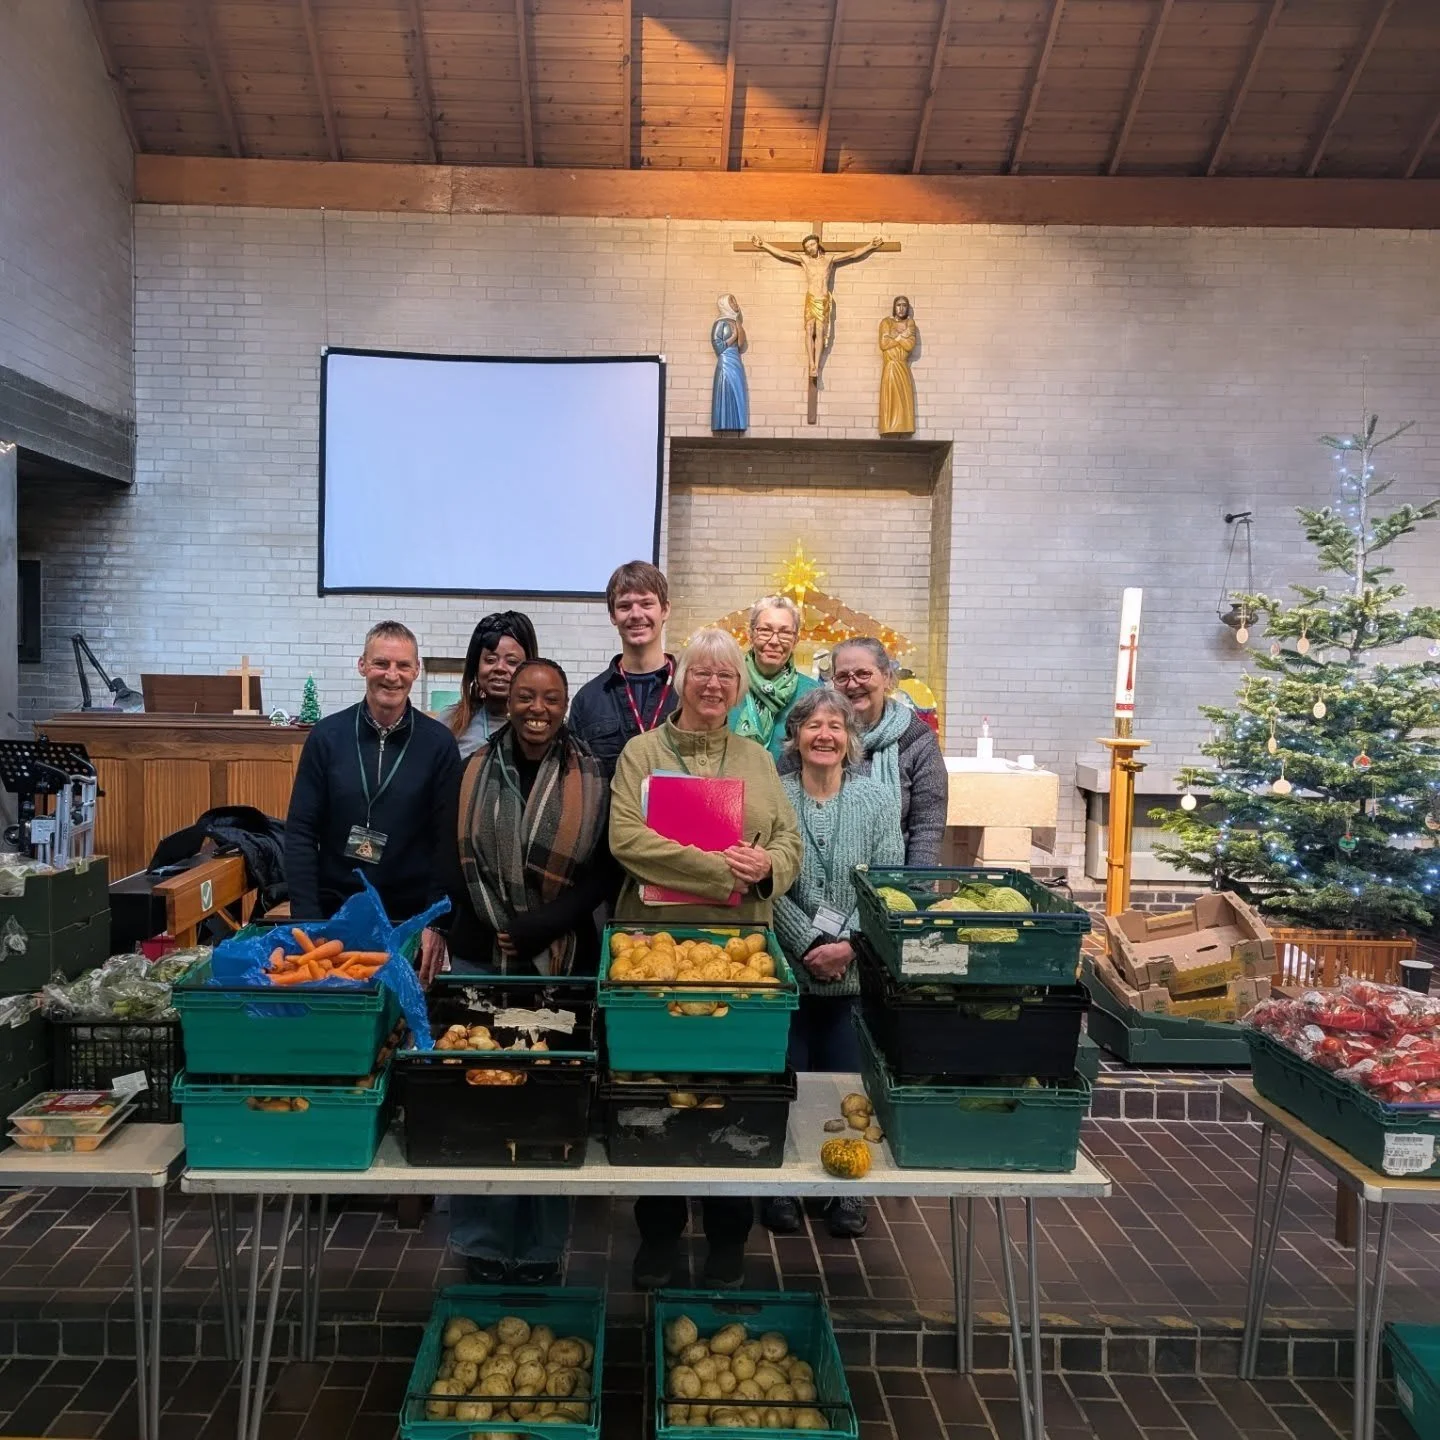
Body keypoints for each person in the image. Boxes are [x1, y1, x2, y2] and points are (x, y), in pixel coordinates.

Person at [609, 627, 803, 1290]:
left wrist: (765, 866)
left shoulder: (757, 758)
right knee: (658, 1087)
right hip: (653, 948)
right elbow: (627, 841)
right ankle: (658, 1237)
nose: (713, 686)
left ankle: (728, 1239)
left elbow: (789, 849)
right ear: (680, 681)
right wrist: (722, 870)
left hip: (740, 950)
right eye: (701, 674)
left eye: (726, 677)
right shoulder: (643, 751)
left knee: (732, 1090)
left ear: (738, 687)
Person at [431, 658, 613, 1283]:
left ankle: (539, 1250)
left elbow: (602, 871)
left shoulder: (592, 774)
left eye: (552, 698)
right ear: (507, 700)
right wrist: (483, 920)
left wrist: (544, 924)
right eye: (527, 696)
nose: (538, 708)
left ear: (565, 703)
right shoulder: (472, 769)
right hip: (483, 952)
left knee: (546, 1102)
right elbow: (451, 854)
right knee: (482, 1097)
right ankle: (482, 1244)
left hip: (558, 957)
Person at [766, 689, 903, 1239]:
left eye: (835, 727)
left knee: (850, 1088)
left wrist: (847, 944)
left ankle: (846, 1191)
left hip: (853, 975)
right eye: (812, 726)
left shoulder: (876, 801)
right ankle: (785, 1188)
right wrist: (804, 944)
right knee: (788, 1083)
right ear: (794, 738)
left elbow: (889, 885)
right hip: (790, 971)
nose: (824, 735)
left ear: (851, 740)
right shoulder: (774, 796)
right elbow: (763, 884)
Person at [285, 623, 460, 977]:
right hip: (336, 917)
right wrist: (308, 921)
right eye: (381, 663)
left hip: (409, 920)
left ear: (416, 670)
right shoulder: (327, 737)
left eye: (402, 666)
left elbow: (447, 842)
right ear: (362, 665)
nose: (392, 676)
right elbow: (301, 831)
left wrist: (436, 923)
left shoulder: (439, 744)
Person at [826, 637, 948, 866]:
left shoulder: (917, 740)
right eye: (842, 677)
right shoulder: (817, 736)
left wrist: (912, 891)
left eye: (863, 673)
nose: (852, 685)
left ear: (886, 676)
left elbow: (927, 828)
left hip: (892, 881)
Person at [568, 561, 678, 779]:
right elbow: (576, 782)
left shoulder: (691, 692)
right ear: (612, 616)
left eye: (646, 604)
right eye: (625, 606)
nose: (636, 614)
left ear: (665, 610)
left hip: (678, 813)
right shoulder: (587, 700)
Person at [729, 594, 820, 760]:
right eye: (765, 630)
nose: (774, 641)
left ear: (796, 640)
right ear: (750, 635)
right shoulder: (726, 684)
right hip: (728, 783)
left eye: (785, 633)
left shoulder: (813, 695)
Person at [444, 611, 539, 759]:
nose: (500, 668)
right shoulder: (449, 723)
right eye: (490, 660)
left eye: (512, 662)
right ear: (476, 666)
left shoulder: (542, 727)